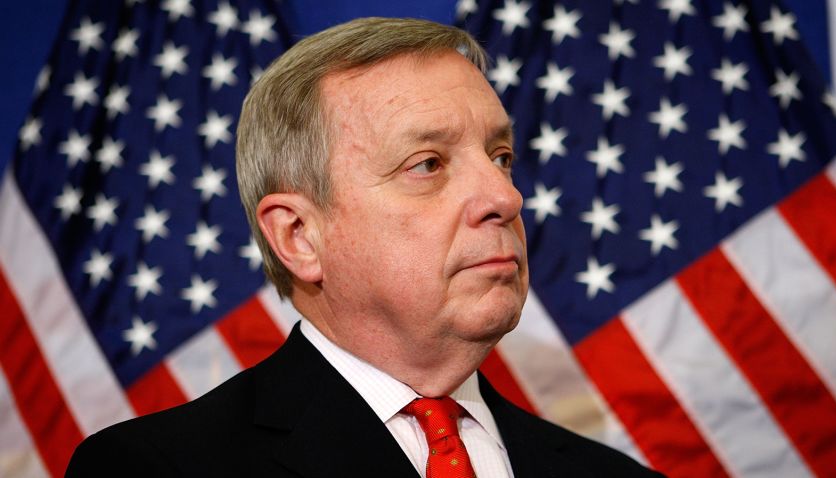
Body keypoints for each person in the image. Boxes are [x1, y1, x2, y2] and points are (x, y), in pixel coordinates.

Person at [67, 17, 664, 477]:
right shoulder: (157, 469)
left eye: (500, 157)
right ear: (301, 238)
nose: (506, 198)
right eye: (427, 164)